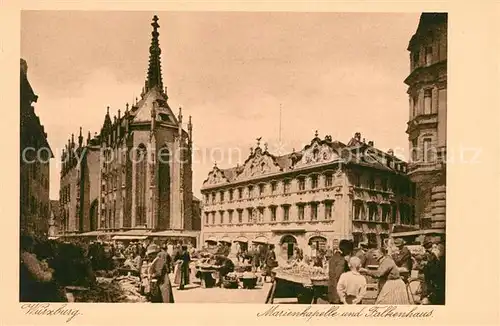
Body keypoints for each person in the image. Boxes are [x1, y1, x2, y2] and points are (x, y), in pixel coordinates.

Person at [420, 238, 445, 305]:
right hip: (432, 275)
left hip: (434, 276)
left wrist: (427, 265)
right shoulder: (431, 253)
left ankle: (427, 297)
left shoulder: (435, 254)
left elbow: (434, 267)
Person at [328, 239, 354, 304]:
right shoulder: (341, 260)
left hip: (332, 289)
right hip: (339, 292)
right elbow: (338, 276)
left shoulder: (333, 257)